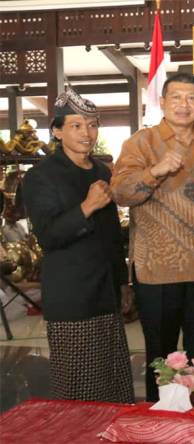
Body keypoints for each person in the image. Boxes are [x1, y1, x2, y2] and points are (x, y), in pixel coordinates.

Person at [111, 72, 194, 409]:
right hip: (158, 269)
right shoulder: (141, 143)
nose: (185, 104)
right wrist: (154, 171)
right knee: (161, 351)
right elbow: (120, 193)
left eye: (192, 98)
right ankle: (163, 416)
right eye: (177, 97)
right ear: (163, 102)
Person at [22, 87, 134, 403]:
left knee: (113, 382)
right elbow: (48, 236)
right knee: (79, 388)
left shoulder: (101, 171)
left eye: (92, 125)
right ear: (57, 131)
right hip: (72, 295)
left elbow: (112, 236)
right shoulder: (41, 176)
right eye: (76, 125)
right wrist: (87, 206)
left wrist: (122, 282)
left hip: (106, 291)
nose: (87, 133)